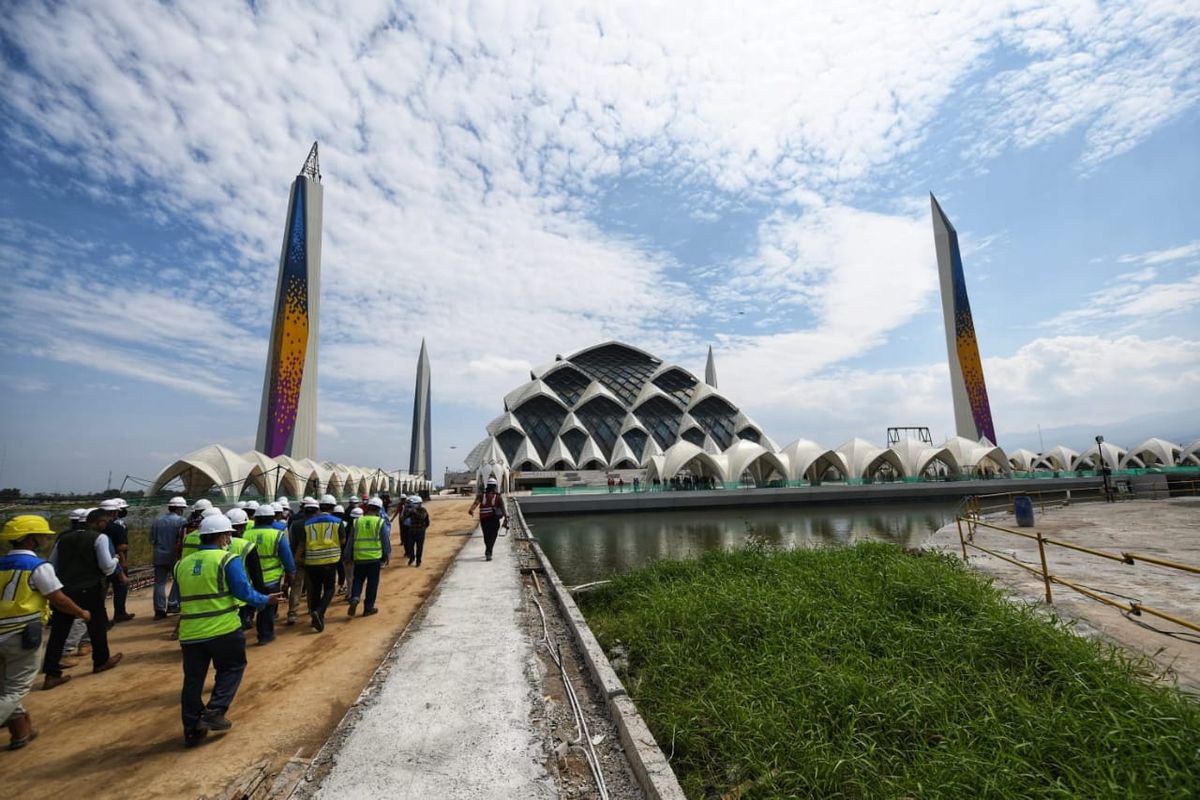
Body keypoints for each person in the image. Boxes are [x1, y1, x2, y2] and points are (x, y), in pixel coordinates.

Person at [175, 514, 282, 748]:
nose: (228, 539)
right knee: (232, 667)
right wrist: (266, 600)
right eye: (227, 535)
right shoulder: (227, 560)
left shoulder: (181, 564)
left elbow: (178, 596)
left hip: (191, 633)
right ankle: (215, 710)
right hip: (223, 628)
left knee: (193, 681)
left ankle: (191, 729)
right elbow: (243, 592)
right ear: (222, 536)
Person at [1, 515, 92, 750]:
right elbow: (57, 597)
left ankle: (21, 732)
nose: (44, 539)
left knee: (7, 685)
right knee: (18, 687)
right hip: (22, 634)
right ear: (30, 539)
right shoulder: (37, 567)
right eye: (41, 535)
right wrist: (81, 612)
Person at [42, 507, 124, 689]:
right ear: (100, 522)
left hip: (65, 590)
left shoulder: (63, 538)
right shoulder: (99, 538)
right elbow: (106, 566)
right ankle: (101, 661)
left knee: (59, 631)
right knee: (97, 625)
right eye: (105, 522)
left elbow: (51, 564)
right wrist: (116, 560)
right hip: (90, 588)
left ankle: (51, 672)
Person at [244, 504, 295, 645]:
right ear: (272, 519)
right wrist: (290, 572)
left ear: (256, 519)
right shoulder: (276, 535)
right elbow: (286, 557)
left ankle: (247, 620)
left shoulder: (245, 534)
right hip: (271, 579)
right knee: (268, 608)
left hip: (249, 579)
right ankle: (265, 635)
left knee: (250, 602)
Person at [294, 498, 342, 631]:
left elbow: (302, 544)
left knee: (315, 590)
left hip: (311, 561)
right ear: (333, 508)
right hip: (329, 561)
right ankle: (319, 612)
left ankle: (316, 617)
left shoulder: (308, 523)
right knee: (329, 589)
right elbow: (342, 540)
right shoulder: (337, 522)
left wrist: (296, 558)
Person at [344, 497, 390, 617]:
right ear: (379, 509)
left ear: (367, 508)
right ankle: (368, 608)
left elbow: (350, 540)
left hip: (359, 558)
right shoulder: (380, 522)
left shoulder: (357, 521)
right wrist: (387, 555)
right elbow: (385, 541)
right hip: (374, 558)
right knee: (372, 583)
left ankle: (354, 597)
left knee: (358, 580)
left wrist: (347, 556)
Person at [224, 509, 265, 631]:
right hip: (241, 596)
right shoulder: (246, 545)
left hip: (221, 597)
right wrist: (261, 596)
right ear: (243, 527)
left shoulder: (217, 546)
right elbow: (256, 575)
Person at [150, 497, 188, 619]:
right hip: (174, 555)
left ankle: (159, 610)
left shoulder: (157, 521)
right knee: (179, 580)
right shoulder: (181, 521)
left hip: (159, 555)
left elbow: (152, 539)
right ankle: (173, 603)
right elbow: (182, 539)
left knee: (159, 583)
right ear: (178, 508)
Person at [285, 498, 319, 625]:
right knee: (313, 586)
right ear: (317, 510)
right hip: (314, 559)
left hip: (298, 559)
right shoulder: (317, 524)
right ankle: (312, 610)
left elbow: (292, 541)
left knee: (296, 586)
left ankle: (292, 612)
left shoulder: (296, 523)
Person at [103, 498, 134, 623]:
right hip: (117, 560)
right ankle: (120, 612)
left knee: (102, 590)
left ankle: (103, 617)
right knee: (120, 587)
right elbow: (122, 546)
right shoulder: (119, 526)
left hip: (101, 562)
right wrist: (123, 561)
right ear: (115, 512)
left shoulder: (96, 527)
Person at [468, 478, 507, 561]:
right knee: (493, 535)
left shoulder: (481, 496)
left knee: (486, 536)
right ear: (495, 486)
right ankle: (489, 552)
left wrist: (471, 510)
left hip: (484, 519)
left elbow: (475, 503)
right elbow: (503, 508)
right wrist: (506, 518)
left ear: (487, 486)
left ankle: (488, 551)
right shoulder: (498, 497)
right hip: (494, 519)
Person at [403, 495, 431, 567]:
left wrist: (413, 511)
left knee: (419, 547)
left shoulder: (422, 510)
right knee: (410, 545)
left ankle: (418, 561)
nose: (410, 504)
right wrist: (406, 510)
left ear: (417, 503)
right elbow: (403, 518)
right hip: (411, 530)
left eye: (411, 503)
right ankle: (412, 557)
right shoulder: (409, 510)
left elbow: (422, 517)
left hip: (420, 531)